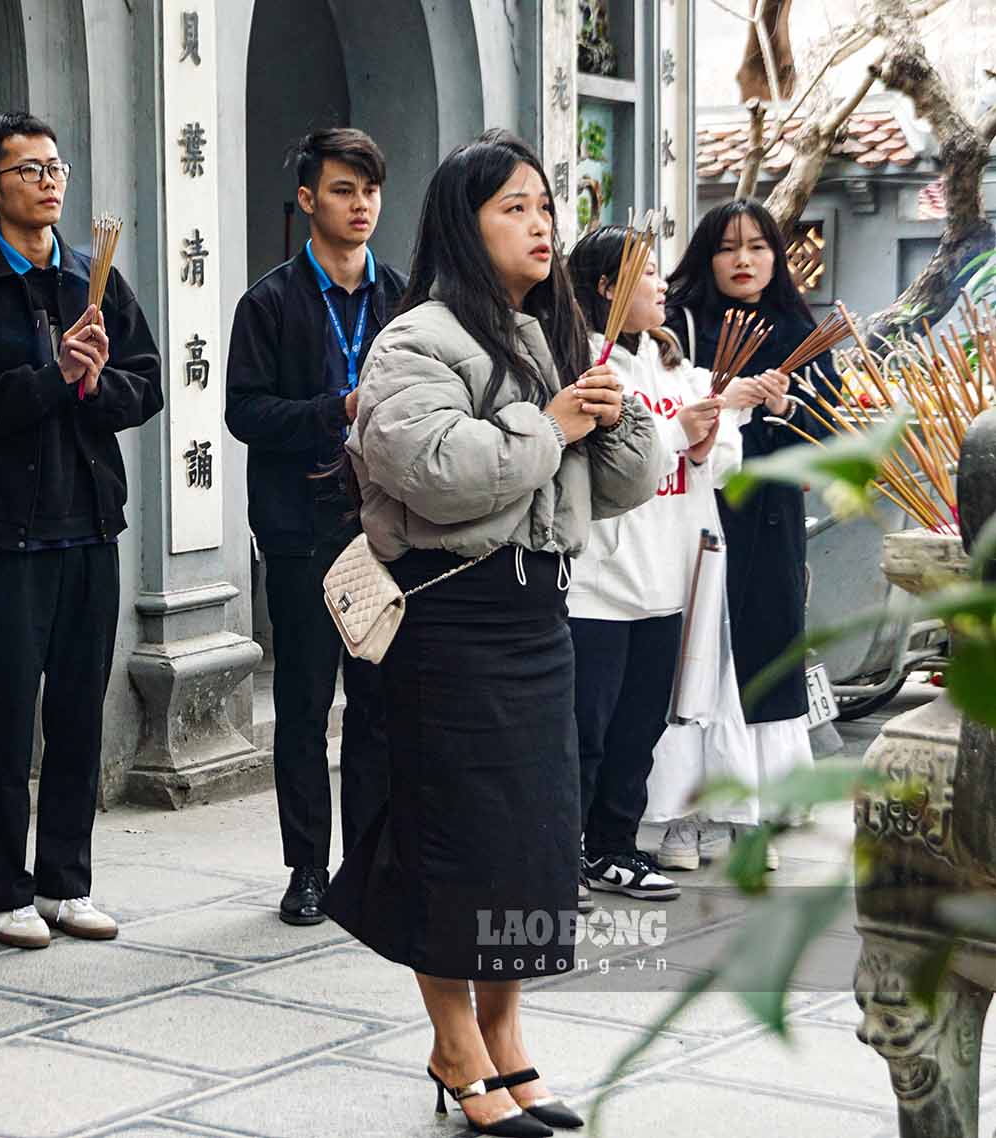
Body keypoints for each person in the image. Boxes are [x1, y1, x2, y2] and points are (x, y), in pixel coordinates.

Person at [324, 130, 658, 1136]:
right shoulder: (417, 337)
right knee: (449, 840)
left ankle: (506, 1038)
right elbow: (429, 464)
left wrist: (615, 416)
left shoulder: (550, 336)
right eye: (513, 206)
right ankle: (453, 1041)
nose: (539, 223)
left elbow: (623, 487)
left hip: (533, 619)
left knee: (530, 843)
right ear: (463, 226)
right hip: (446, 620)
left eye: (543, 206)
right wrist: (548, 425)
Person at [0, 111, 164, 949]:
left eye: (56, 167)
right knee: (6, 715)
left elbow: (146, 386)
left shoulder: (94, 275)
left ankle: (65, 883)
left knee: (80, 710)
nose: (48, 182)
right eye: (28, 170)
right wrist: (52, 378)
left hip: (89, 521)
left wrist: (91, 387)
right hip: (7, 527)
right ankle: (3, 890)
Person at [226, 127, 406, 926]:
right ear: (306, 200)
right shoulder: (269, 302)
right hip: (302, 532)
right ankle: (307, 869)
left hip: (386, 533)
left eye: (368, 190)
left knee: (377, 701)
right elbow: (245, 413)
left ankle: (368, 863)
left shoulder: (403, 298)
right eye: (342, 189)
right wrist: (334, 409)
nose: (360, 205)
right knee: (303, 705)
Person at [565, 225, 745, 905]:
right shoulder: (585, 361)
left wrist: (700, 442)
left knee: (638, 732)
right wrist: (676, 433)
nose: (664, 286)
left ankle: (614, 848)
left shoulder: (669, 360)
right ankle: (562, 855)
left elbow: (718, 460)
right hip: (598, 585)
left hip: (665, 582)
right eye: (648, 276)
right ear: (607, 289)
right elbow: (611, 459)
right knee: (584, 733)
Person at [661, 199, 831, 872]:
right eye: (728, 248)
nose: (743, 261)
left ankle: (756, 807)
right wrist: (723, 397)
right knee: (694, 654)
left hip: (772, 514)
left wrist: (787, 404)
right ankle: (685, 809)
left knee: (764, 646)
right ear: (706, 257)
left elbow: (830, 436)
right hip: (699, 510)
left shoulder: (798, 326)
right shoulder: (682, 328)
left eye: (758, 247)